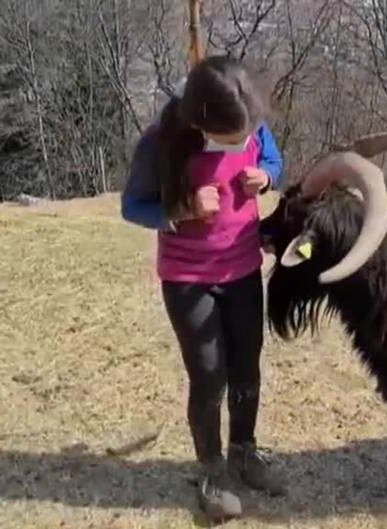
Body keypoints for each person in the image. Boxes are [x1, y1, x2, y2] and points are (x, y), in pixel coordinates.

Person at [120, 55, 287, 516]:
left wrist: (268, 174)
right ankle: (211, 470)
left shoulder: (245, 118)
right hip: (189, 279)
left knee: (247, 368)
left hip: (243, 270)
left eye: (247, 136)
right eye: (231, 140)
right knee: (210, 377)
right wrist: (182, 210)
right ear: (200, 120)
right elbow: (132, 206)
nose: (242, 144)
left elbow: (275, 157)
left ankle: (244, 451)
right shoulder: (162, 141)